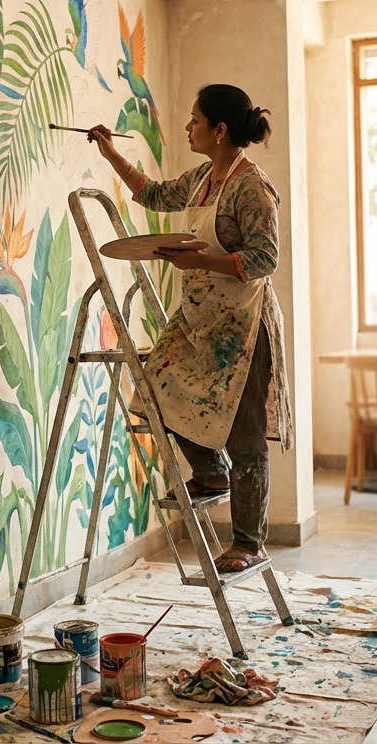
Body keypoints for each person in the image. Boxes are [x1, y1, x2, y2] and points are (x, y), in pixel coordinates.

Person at [86, 83, 293, 573]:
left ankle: (248, 542)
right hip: (200, 318)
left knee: (245, 436)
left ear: (220, 131)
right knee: (153, 386)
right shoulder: (202, 178)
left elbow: (266, 257)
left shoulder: (252, 187)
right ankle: (208, 470)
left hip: (243, 327)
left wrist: (200, 259)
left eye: (195, 120)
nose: (187, 127)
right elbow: (154, 195)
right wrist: (109, 151)